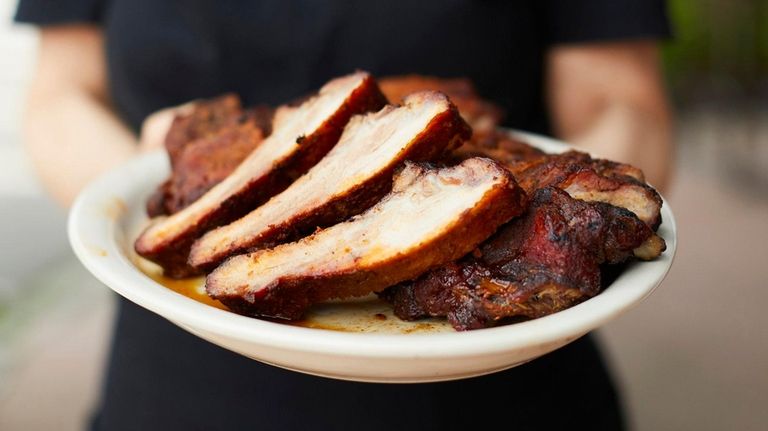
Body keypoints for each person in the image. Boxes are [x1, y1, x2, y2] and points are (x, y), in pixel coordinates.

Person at [15, 1, 672, 430]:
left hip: (504, 390)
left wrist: (583, 217)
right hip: (178, 382)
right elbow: (59, 96)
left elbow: (624, 100)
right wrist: (155, 177)